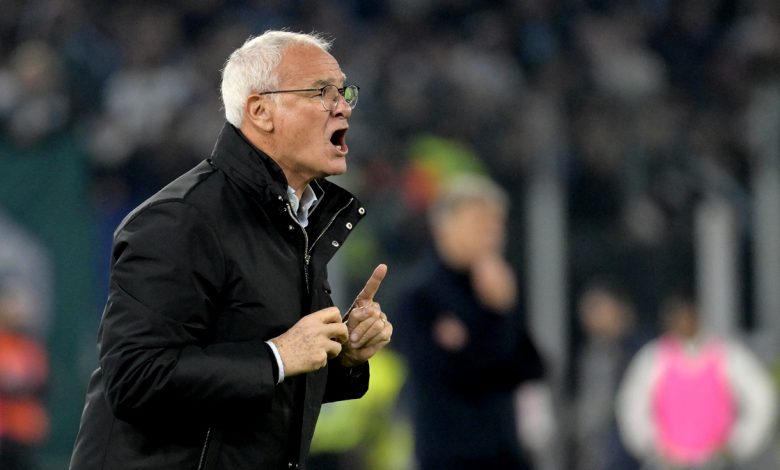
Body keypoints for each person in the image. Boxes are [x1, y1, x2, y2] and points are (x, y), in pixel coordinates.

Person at [69, 30, 393, 470]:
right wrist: (277, 355)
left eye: (343, 92)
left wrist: (342, 356)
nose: (343, 106)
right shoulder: (180, 219)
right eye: (322, 92)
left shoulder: (296, 221)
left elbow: (266, 387)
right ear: (261, 111)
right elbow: (135, 378)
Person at [395, 174, 545, 470]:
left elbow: (529, 367)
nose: (492, 235)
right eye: (480, 223)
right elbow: (454, 375)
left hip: (505, 453)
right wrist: (492, 319)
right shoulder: (421, 295)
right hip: (449, 457)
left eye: (497, 225)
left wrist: (501, 312)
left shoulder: (496, 288)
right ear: (445, 227)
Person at [615, 291, 777, 470]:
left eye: (686, 315)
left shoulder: (726, 354)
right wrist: (651, 444)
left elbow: (762, 397)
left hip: (716, 462)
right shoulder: (654, 357)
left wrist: (738, 442)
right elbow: (632, 403)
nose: (682, 322)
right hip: (668, 463)